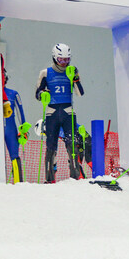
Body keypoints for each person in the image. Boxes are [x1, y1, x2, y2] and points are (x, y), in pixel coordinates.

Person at [35, 43, 84, 182]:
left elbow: (80, 93)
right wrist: (43, 94)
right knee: (51, 145)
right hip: (52, 113)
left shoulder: (72, 70)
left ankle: (75, 177)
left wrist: (75, 79)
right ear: (54, 57)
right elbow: (37, 93)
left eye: (67, 59)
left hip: (68, 112)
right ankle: (50, 179)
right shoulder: (45, 73)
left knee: (72, 143)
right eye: (61, 59)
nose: (64, 63)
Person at [3, 70, 27, 182]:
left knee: (14, 155)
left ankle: (18, 183)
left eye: (3, 76)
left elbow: (20, 113)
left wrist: (23, 131)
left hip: (10, 128)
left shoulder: (13, 93)